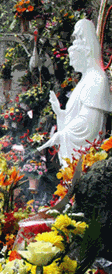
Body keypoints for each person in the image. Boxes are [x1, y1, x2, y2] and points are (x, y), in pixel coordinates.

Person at [38, 19, 112, 165]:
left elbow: (89, 123)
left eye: (73, 59)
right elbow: (75, 116)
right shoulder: (85, 79)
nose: (71, 64)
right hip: (74, 156)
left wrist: (63, 134)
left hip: (86, 155)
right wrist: (59, 112)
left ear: (85, 54)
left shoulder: (96, 79)